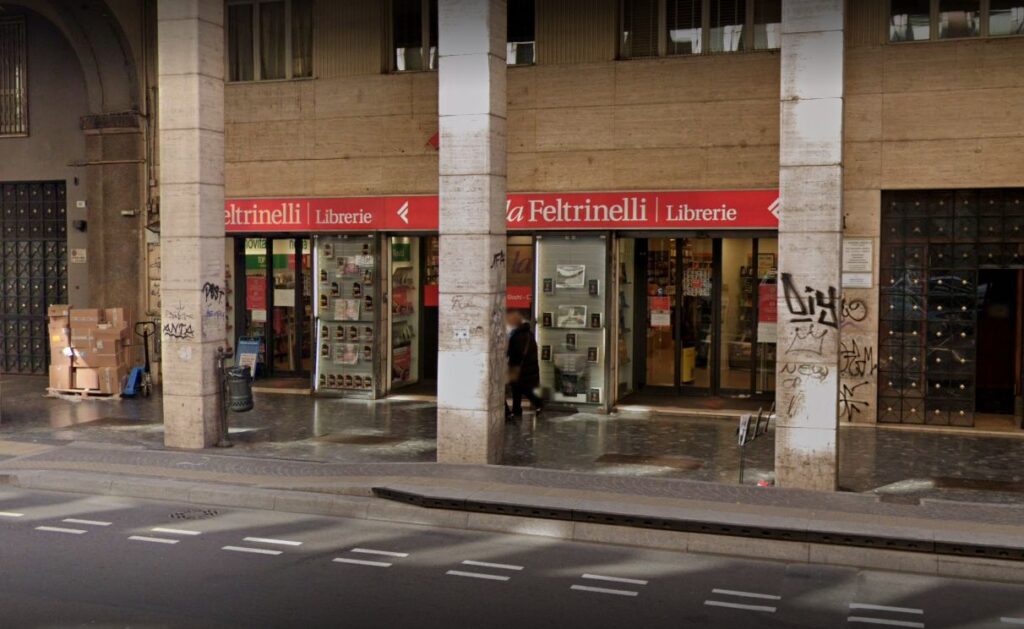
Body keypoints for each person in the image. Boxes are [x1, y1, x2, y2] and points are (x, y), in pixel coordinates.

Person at [506, 311, 543, 419]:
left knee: (522, 387)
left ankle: (539, 403)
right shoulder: (529, 334)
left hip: (520, 367)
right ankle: (516, 409)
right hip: (528, 366)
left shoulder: (517, 336)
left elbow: (515, 352)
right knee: (517, 388)